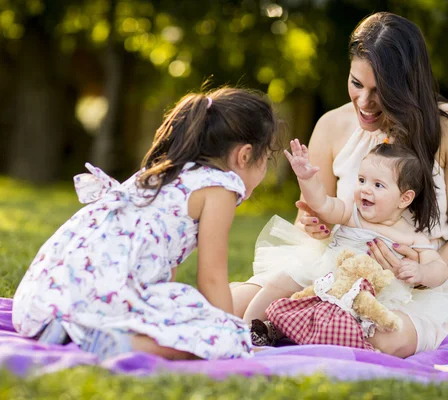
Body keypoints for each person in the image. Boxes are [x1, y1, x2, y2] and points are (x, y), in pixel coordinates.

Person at [232, 12, 448, 357]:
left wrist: (423, 272)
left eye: (380, 92)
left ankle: (297, 333)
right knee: (232, 306)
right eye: (356, 84)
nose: (364, 103)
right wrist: (313, 226)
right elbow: (311, 221)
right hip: (327, 271)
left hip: (408, 291)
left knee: (382, 339)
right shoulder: (331, 125)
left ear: (408, 86)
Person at [11, 87, 281, 361]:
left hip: (46, 304)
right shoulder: (220, 188)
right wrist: (231, 337)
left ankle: (84, 332)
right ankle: (123, 344)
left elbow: (165, 273)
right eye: (267, 158)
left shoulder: (164, 173)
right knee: (215, 341)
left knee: (182, 311)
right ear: (245, 156)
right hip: (96, 303)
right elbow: (211, 278)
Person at [243, 139, 448, 328]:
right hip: (323, 273)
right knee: (280, 282)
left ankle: (282, 331)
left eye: (378, 185)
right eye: (362, 180)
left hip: (363, 294)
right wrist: (306, 179)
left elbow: (439, 268)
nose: (365, 189)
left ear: (404, 198)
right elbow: (322, 203)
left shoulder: (412, 237)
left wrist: (422, 272)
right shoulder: (351, 213)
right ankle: (247, 328)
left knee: (354, 322)